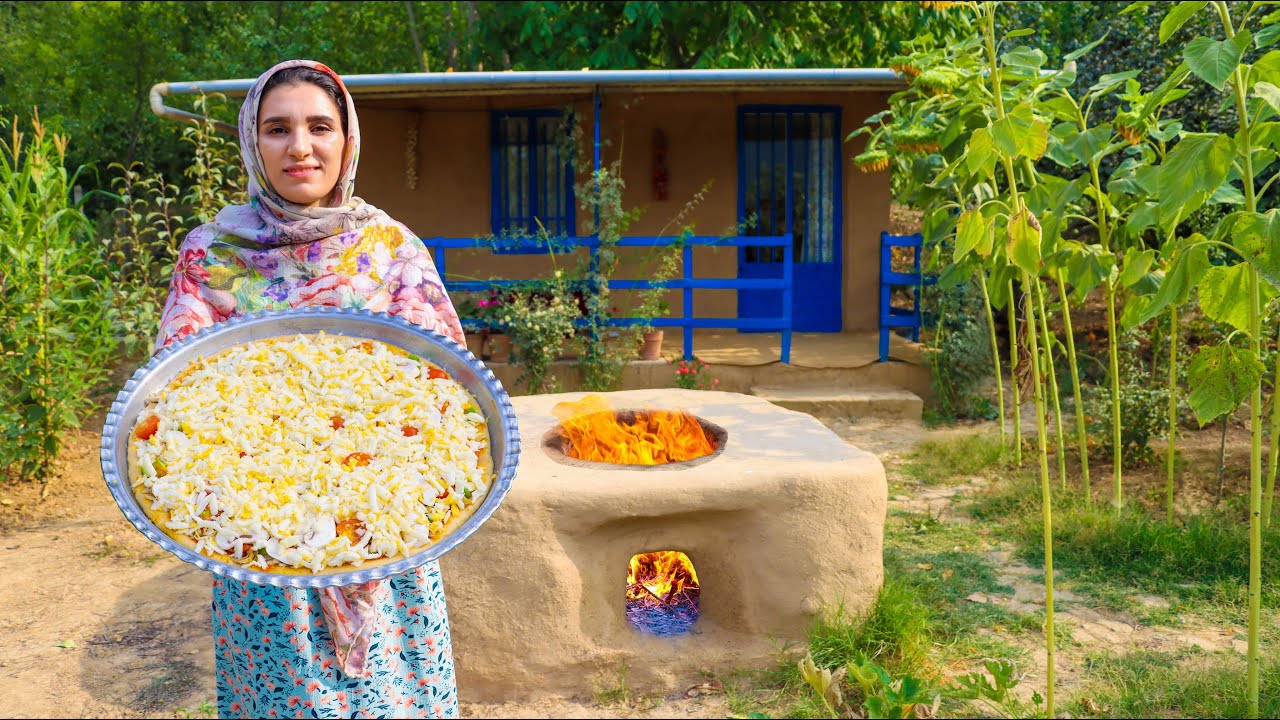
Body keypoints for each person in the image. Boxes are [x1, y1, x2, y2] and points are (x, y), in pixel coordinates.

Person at [155, 59, 465, 719]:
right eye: (278, 129)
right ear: (252, 142)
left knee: (390, 699)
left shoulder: (391, 250)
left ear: (347, 141)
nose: (300, 147)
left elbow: (449, 397)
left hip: (383, 538)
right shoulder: (211, 255)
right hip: (264, 549)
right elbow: (172, 404)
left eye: (320, 126)